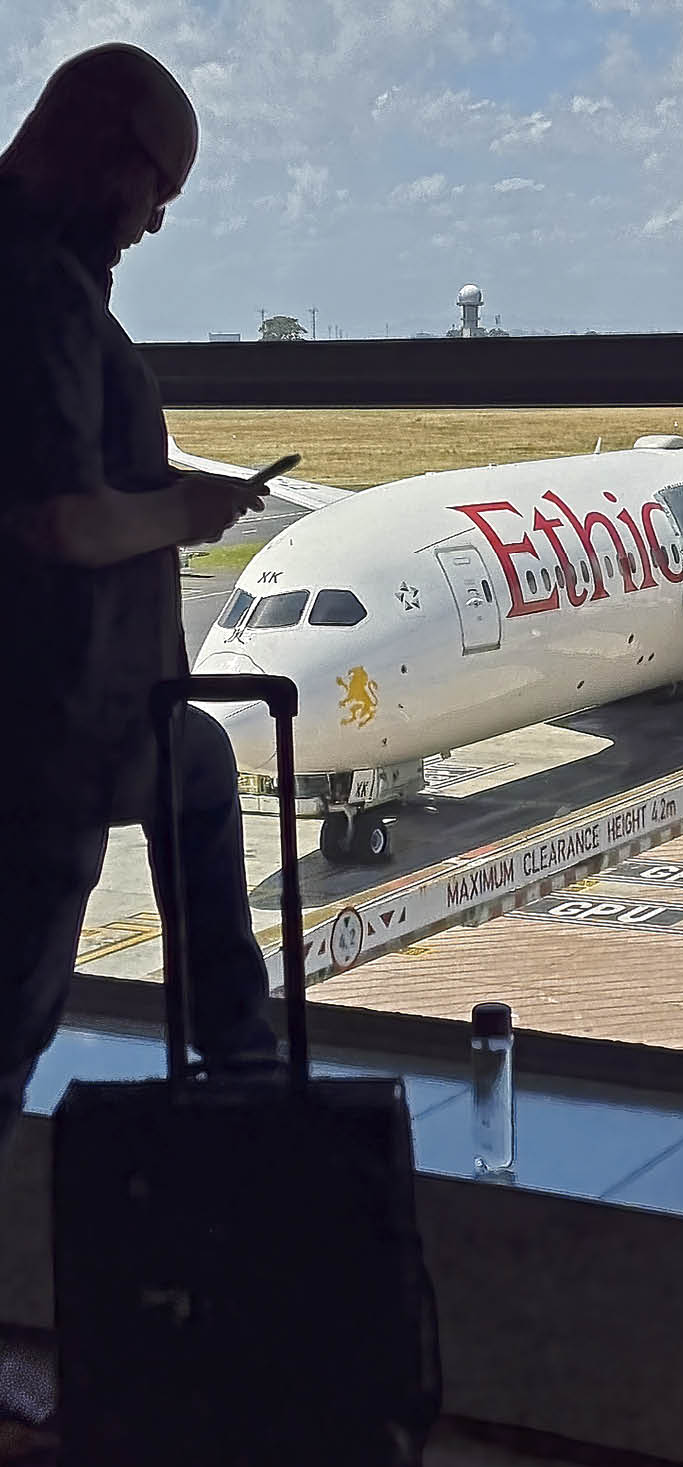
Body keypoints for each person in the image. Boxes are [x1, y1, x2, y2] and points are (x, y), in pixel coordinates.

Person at [0, 43, 281, 1152]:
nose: (155, 221)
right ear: (105, 151)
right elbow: (58, 518)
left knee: (198, 766)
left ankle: (243, 1057)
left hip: (73, 715)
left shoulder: (36, 275)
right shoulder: (35, 291)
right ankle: (247, 1072)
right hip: (47, 728)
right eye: (156, 188)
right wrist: (185, 514)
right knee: (13, 1006)